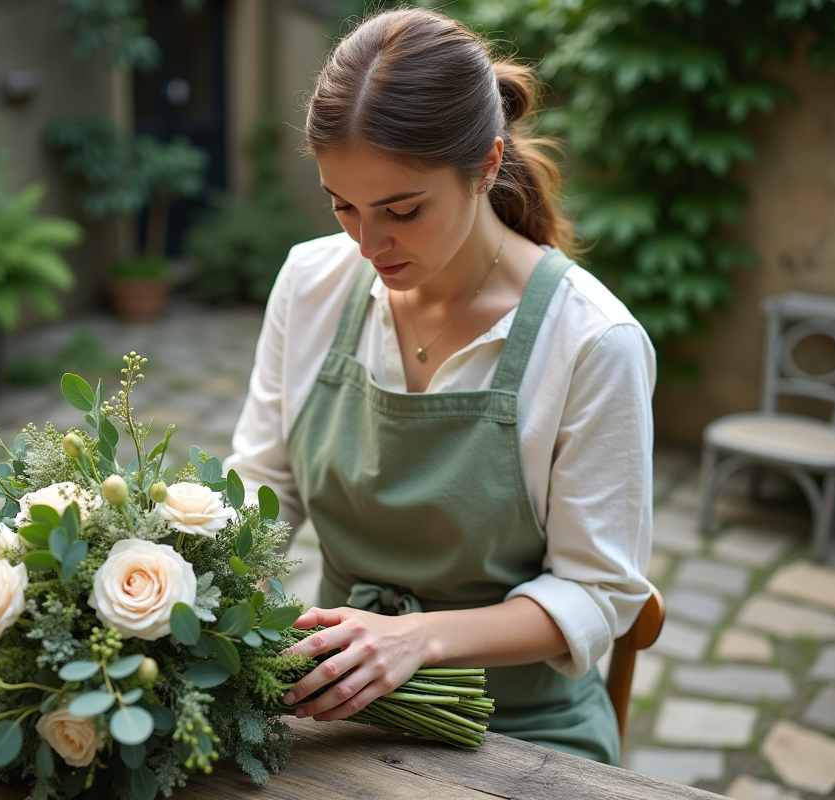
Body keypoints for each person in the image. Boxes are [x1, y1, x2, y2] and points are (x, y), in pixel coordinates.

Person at [221, 6, 654, 765]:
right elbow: (265, 483)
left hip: (516, 730)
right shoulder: (311, 282)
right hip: (332, 706)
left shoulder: (591, 341)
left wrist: (414, 639)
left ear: (487, 165)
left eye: (402, 210)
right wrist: (171, 585)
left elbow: (598, 595)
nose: (368, 242)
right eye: (343, 205)